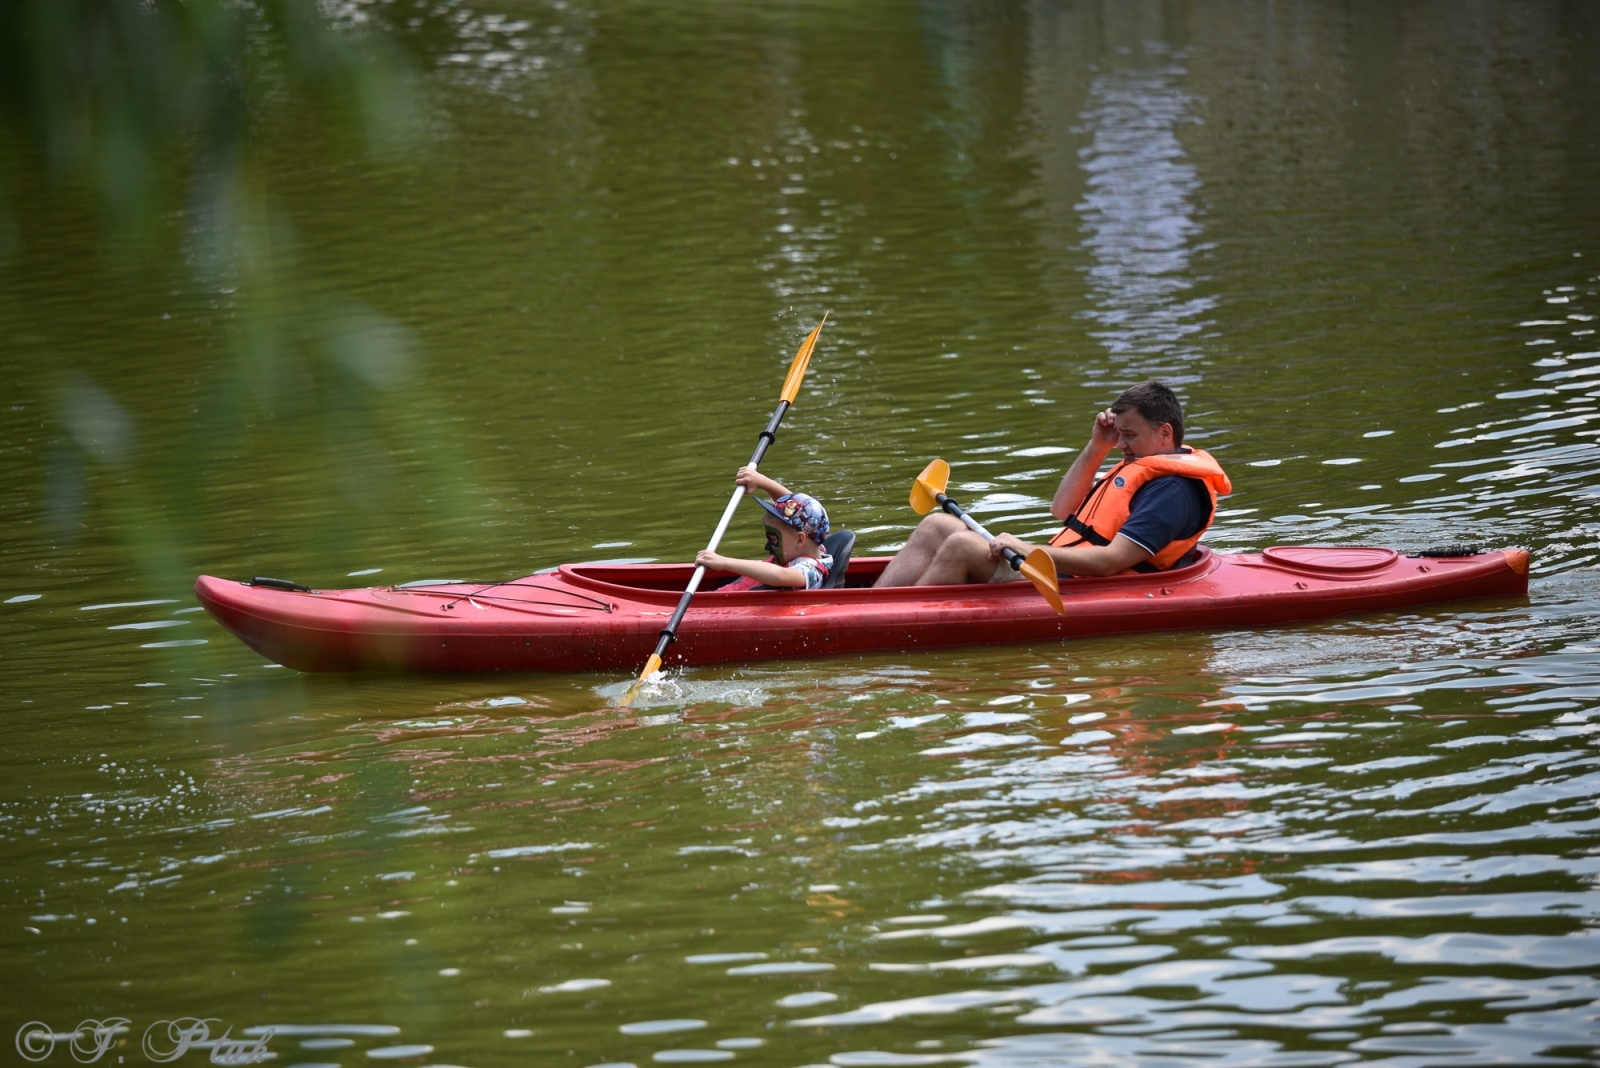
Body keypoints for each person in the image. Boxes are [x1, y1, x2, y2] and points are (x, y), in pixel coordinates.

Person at [874, 380, 1231, 587]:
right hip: (1061, 574)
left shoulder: (1173, 490)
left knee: (963, 546)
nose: (1120, 445)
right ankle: (868, 608)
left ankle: (888, 629)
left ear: (1164, 432)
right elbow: (1062, 510)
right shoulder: (1139, 463)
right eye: (1118, 434)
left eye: (1128, 436)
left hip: (1087, 589)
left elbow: (1111, 561)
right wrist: (1097, 446)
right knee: (938, 523)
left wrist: (1027, 547)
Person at [697, 466, 833, 591]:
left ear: (799, 540)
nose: (767, 547)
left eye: (773, 538)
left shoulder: (810, 571)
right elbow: (799, 507)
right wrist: (761, 481)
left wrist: (723, 562)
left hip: (729, 607)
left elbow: (780, 575)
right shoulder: (813, 542)